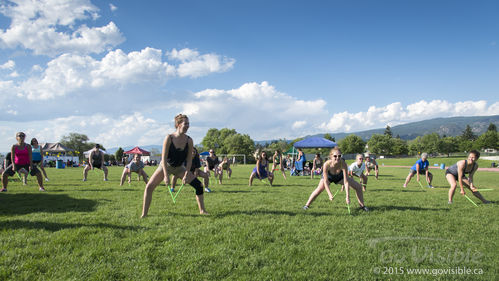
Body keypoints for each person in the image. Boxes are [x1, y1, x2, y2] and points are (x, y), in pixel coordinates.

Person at [142, 114, 208, 217]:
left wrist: (186, 174)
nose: (188, 126)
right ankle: (144, 214)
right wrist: (165, 175)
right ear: (178, 124)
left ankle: (202, 210)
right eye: (185, 123)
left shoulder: (189, 140)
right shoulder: (169, 138)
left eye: (188, 124)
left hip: (179, 168)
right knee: (149, 187)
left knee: (199, 186)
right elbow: (163, 159)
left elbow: (189, 160)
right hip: (165, 166)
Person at [303, 147, 368, 211]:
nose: (337, 158)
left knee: (358, 187)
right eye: (335, 156)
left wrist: (347, 197)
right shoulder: (326, 164)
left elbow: (346, 181)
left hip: (339, 177)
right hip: (328, 177)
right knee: (319, 189)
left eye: (339, 156)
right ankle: (306, 205)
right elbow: (325, 181)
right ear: (331, 156)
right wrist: (330, 194)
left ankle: (362, 206)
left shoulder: (343, 164)